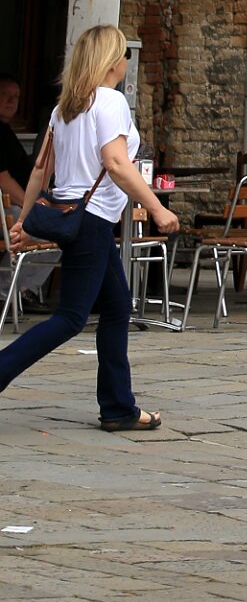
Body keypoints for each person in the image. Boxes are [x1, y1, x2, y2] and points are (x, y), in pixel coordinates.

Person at [1, 25, 178, 432]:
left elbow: (40, 171)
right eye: (124, 55)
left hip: (75, 218)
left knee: (117, 307)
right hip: (92, 220)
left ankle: (118, 408)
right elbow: (116, 163)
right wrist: (156, 208)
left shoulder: (64, 109)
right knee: (70, 317)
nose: (126, 62)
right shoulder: (111, 102)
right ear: (113, 61)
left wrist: (24, 221)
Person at [0, 75, 31, 214]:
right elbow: (3, 180)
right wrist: (31, 208)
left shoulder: (5, 129)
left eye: (16, 96)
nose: (11, 100)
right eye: (5, 94)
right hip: (8, 206)